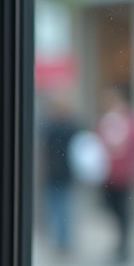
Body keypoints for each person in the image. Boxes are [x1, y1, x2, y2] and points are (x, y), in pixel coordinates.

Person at [97, 85, 134, 263]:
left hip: (122, 173)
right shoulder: (106, 119)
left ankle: (123, 246)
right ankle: (119, 243)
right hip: (107, 172)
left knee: (121, 210)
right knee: (112, 208)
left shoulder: (128, 119)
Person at [40, 94, 79, 257]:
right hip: (59, 172)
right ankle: (61, 241)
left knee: (60, 208)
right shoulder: (69, 125)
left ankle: (62, 241)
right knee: (59, 208)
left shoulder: (57, 126)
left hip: (59, 172)